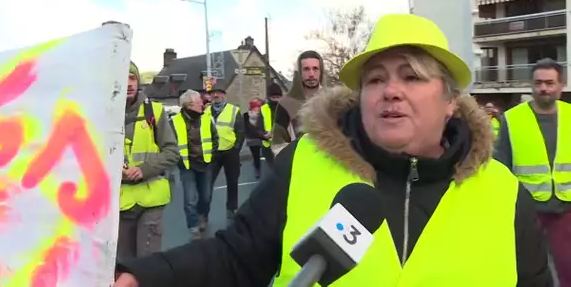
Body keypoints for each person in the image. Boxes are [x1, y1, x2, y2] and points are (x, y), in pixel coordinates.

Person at [114, 14, 550, 287]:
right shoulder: (303, 164)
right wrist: (145, 276)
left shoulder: (504, 194)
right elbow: (235, 258)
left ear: (451, 99)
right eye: (375, 80)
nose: (390, 92)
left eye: (411, 77)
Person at [494, 58, 570, 286]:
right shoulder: (512, 119)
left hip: (565, 209)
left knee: (567, 269)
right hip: (527, 211)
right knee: (526, 271)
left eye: (549, 82)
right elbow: (501, 166)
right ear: (531, 85)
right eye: (538, 83)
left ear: (561, 85)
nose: (543, 88)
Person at [118, 61, 180, 260]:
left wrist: (145, 169)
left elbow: (172, 151)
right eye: (123, 78)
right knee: (124, 268)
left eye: (132, 78)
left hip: (151, 200)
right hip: (119, 203)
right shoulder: (104, 116)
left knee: (147, 265)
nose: (128, 84)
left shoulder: (155, 111)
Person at [170, 90, 218, 241]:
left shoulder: (206, 119)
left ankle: (203, 216)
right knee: (190, 200)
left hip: (205, 163)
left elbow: (215, 139)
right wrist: (179, 161)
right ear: (189, 105)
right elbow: (171, 144)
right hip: (187, 166)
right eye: (199, 102)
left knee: (206, 196)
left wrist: (212, 155)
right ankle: (194, 228)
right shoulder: (174, 122)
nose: (202, 105)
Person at [271, 50, 327, 154]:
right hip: (298, 165)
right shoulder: (286, 104)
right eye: (306, 69)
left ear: (321, 71)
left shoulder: (332, 101)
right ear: (299, 73)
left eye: (315, 69)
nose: (311, 74)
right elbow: (278, 144)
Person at [205, 88, 244, 221]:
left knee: (232, 182)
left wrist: (236, 149)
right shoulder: (205, 112)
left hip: (230, 152)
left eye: (219, 93)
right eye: (213, 93)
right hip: (212, 153)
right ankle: (203, 214)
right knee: (207, 184)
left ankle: (231, 208)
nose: (216, 95)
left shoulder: (233, 110)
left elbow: (240, 132)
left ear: (224, 95)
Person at [243, 98, 274, 179]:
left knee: (267, 154)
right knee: (256, 155)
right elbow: (248, 130)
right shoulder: (247, 116)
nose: (257, 109)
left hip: (263, 137)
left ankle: (265, 170)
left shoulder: (264, 113)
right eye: (256, 106)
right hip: (254, 139)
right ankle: (258, 169)